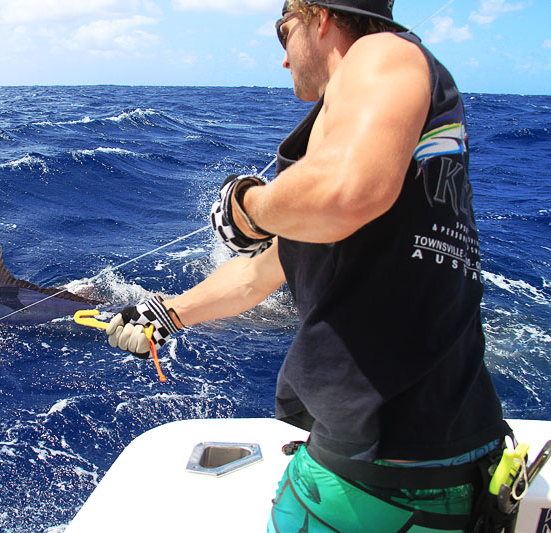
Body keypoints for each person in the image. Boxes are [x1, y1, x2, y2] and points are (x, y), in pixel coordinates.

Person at [105, 0, 512, 531]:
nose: (282, 58)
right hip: (411, 462)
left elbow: (344, 193)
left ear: (320, 17)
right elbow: (262, 270)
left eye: (283, 31)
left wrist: (249, 207)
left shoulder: (382, 52)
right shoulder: (374, 124)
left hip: (384, 477)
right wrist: (166, 313)